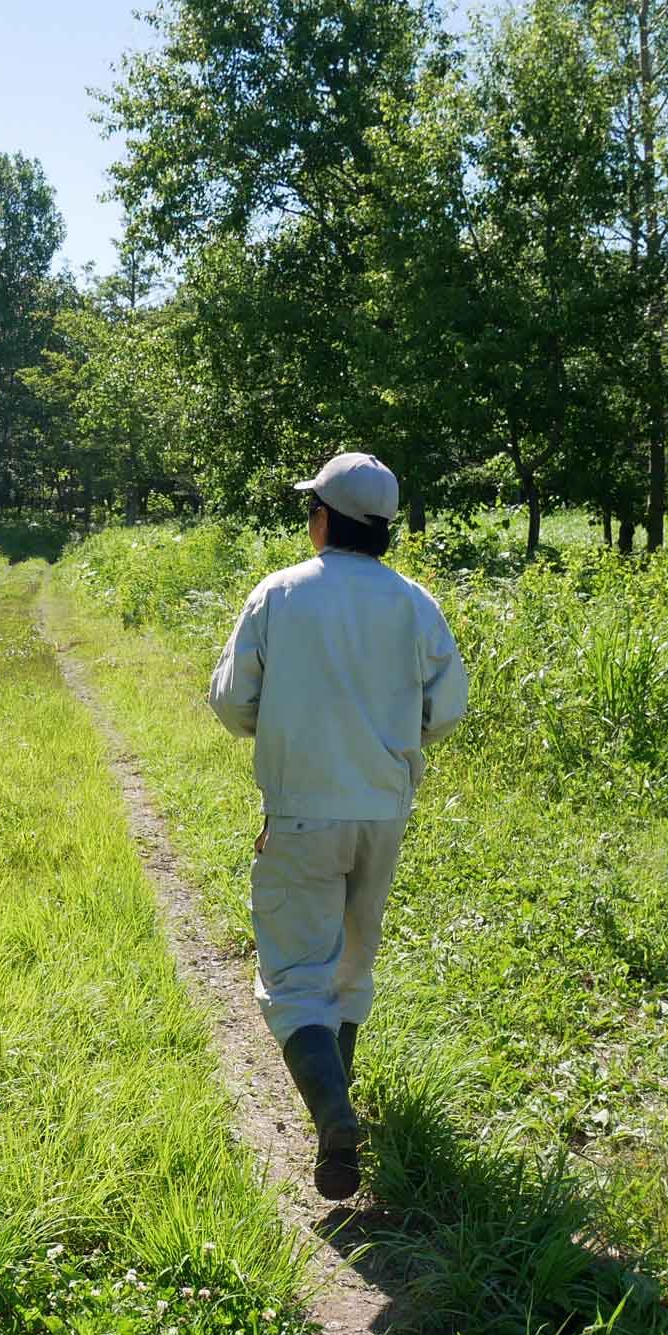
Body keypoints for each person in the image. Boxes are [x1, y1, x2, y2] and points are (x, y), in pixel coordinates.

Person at [206, 451, 467, 1200]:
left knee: (293, 978)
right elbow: (445, 709)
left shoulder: (280, 594)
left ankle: (333, 1117)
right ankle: (339, 1119)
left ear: (325, 518)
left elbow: (230, 703)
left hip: (300, 811)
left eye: (310, 507)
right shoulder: (415, 602)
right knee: (350, 970)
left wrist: (282, 722)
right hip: (383, 814)